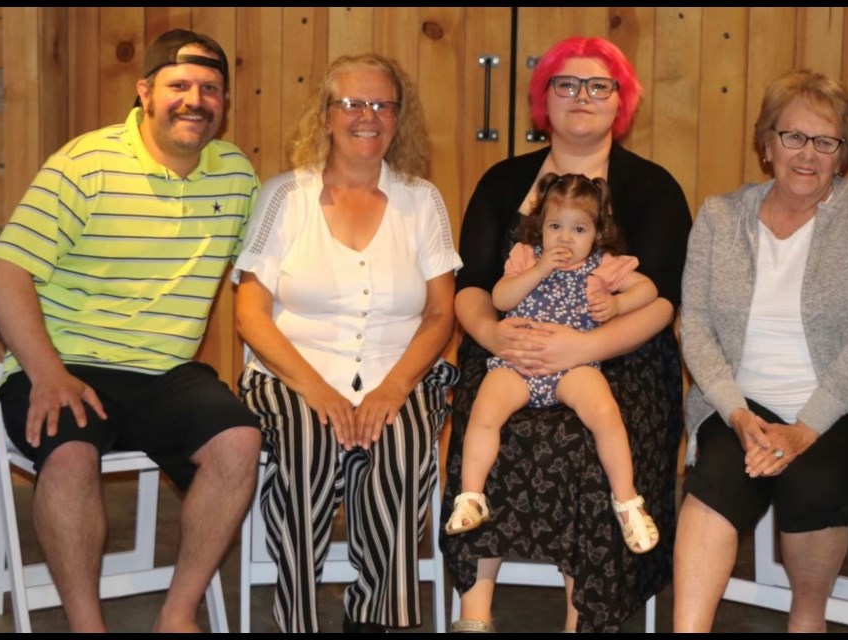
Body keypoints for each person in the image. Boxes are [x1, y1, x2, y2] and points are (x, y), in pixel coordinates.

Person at [0, 29, 262, 632]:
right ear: (145, 92)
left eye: (210, 88)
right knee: (71, 452)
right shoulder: (86, 163)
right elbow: (4, 272)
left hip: (165, 373)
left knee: (239, 441)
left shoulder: (235, 175)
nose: (195, 99)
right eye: (179, 85)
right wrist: (47, 373)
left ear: (225, 101)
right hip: (66, 363)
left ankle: (178, 613)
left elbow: (264, 276)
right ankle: (89, 625)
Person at [440, 36, 691, 633]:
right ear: (543, 99)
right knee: (487, 417)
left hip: (619, 356)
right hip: (514, 347)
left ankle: (585, 617)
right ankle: (475, 616)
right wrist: (495, 340)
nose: (582, 97)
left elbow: (661, 299)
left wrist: (586, 347)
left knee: (588, 441)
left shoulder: (653, 188)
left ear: (620, 102)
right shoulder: (503, 183)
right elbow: (473, 287)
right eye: (566, 84)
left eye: (599, 86)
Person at [673, 70, 848, 632]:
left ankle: (806, 620)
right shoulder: (719, 217)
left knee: (811, 483)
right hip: (742, 404)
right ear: (767, 144)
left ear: (842, 153)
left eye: (825, 141)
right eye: (793, 137)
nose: (807, 154)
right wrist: (737, 415)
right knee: (714, 478)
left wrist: (804, 430)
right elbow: (698, 329)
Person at [234, 53, 461, 634]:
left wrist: (394, 388)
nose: (369, 116)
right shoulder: (284, 197)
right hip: (291, 375)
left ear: (398, 117)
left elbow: (440, 313)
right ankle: (300, 618)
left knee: (403, 443)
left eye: (382, 104)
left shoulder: (422, 201)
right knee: (309, 446)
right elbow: (250, 312)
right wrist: (317, 390)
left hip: (397, 372)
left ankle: (376, 618)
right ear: (326, 117)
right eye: (353, 103)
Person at [445, 172, 660, 556]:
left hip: (573, 365)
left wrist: (618, 304)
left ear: (597, 233)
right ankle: (472, 496)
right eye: (555, 226)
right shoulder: (526, 257)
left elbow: (649, 289)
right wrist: (538, 270)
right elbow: (500, 297)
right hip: (519, 363)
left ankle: (627, 501)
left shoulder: (603, 266)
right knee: (485, 409)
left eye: (579, 229)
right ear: (539, 226)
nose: (565, 238)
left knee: (604, 411)